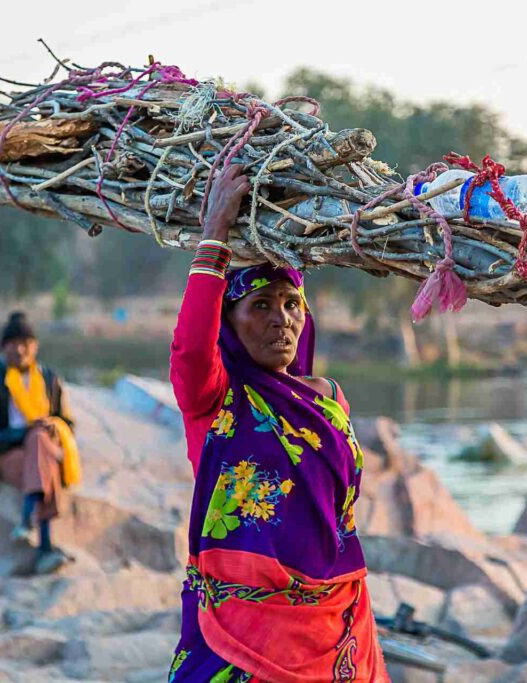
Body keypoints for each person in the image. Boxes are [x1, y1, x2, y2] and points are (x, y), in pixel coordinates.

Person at [167, 164, 389, 682]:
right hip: (241, 630)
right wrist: (215, 233)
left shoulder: (328, 399)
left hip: (335, 625)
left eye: (292, 304)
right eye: (260, 305)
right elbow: (190, 348)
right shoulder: (216, 400)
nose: (281, 319)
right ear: (228, 318)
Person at [0, 311, 82, 575]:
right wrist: (24, 434)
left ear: (35, 347)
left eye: (25, 343)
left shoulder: (48, 379)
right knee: (39, 446)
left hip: (41, 452)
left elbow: (68, 424)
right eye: (12, 344)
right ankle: (45, 546)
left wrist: (53, 426)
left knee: (41, 442)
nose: (19, 350)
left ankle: (28, 518)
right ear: (3, 347)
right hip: (6, 455)